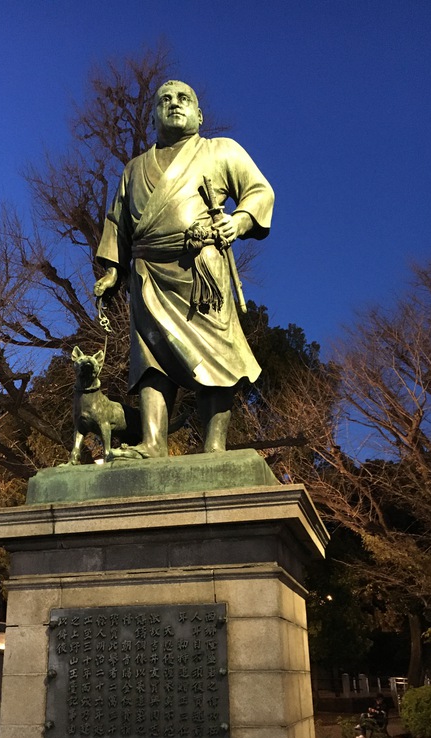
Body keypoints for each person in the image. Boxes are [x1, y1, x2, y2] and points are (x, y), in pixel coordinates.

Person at [94, 80, 274, 459]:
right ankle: (153, 442)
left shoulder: (220, 150)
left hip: (200, 270)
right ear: (154, 115)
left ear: (199, 113)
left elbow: (260, 191)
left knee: (215, 352)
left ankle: (214, 446)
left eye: (184, 99)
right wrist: (113, 268)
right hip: (147, 273)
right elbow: (117, 222)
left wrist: (238, 221)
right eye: (165, 100)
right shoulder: (134, 168)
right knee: (151, 356)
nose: (174, 104)